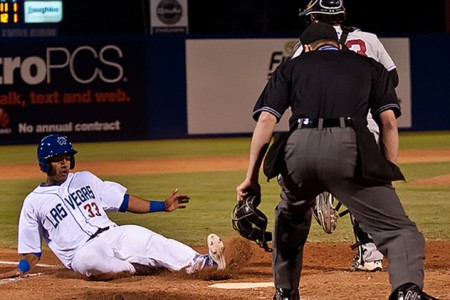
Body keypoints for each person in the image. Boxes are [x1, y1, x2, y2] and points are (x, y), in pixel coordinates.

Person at [236, 22, 436, 300]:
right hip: (350, 147)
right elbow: (388, 123)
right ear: (339, 44)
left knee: (290, 220)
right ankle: (406, 290)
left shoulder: (290, 67)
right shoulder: (368, 66)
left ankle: (285, 291)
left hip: (298, 149)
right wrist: (385, 175)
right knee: (399, 230)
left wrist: (251, 178)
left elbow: (267, 121)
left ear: (306, 48)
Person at [0, 134, 226, 281]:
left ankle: (203, 262)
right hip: (81, 252)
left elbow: (124, 201)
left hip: (112, 233)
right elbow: (32, 250)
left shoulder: (86, 179)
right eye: (57, 159)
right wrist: (20, 268)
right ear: (43, 163)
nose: (65, 163)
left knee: (148, 239)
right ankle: (132, 267)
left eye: (67, 157)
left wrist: (162, 206)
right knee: (91, 262)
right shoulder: (33, 202)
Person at [293, 0, 400, 272]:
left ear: (317, 19)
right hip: (368, 125)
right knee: (366, 188)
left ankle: (322, 188)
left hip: (323, 126)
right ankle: (371, 254)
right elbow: (392, 78)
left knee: (300, 170)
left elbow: (296, 80)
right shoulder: (369, 39)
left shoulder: (308, 44)